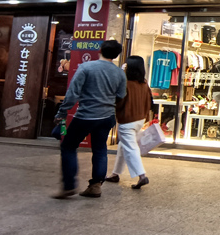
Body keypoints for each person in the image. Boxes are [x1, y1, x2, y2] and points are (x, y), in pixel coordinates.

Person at [52, 40, 127, 199]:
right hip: (107, 117)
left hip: (86, 115)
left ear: (100, 50)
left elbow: (73, 94)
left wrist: (61, 113)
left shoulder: (86, 67)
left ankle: (68, 186)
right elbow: (121, 96)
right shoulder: (120, 73)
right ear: (117, 55)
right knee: (100, 149)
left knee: (69, 147)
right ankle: (95, 186)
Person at [106, 56, 153, 189]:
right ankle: (115, 173)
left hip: (127, 120)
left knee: (130, 147)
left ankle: (142, 175)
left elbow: (119, 101)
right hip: (139, 120)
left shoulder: (125, 83)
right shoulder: (144, 83)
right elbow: (149, 102)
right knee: (123, 145)